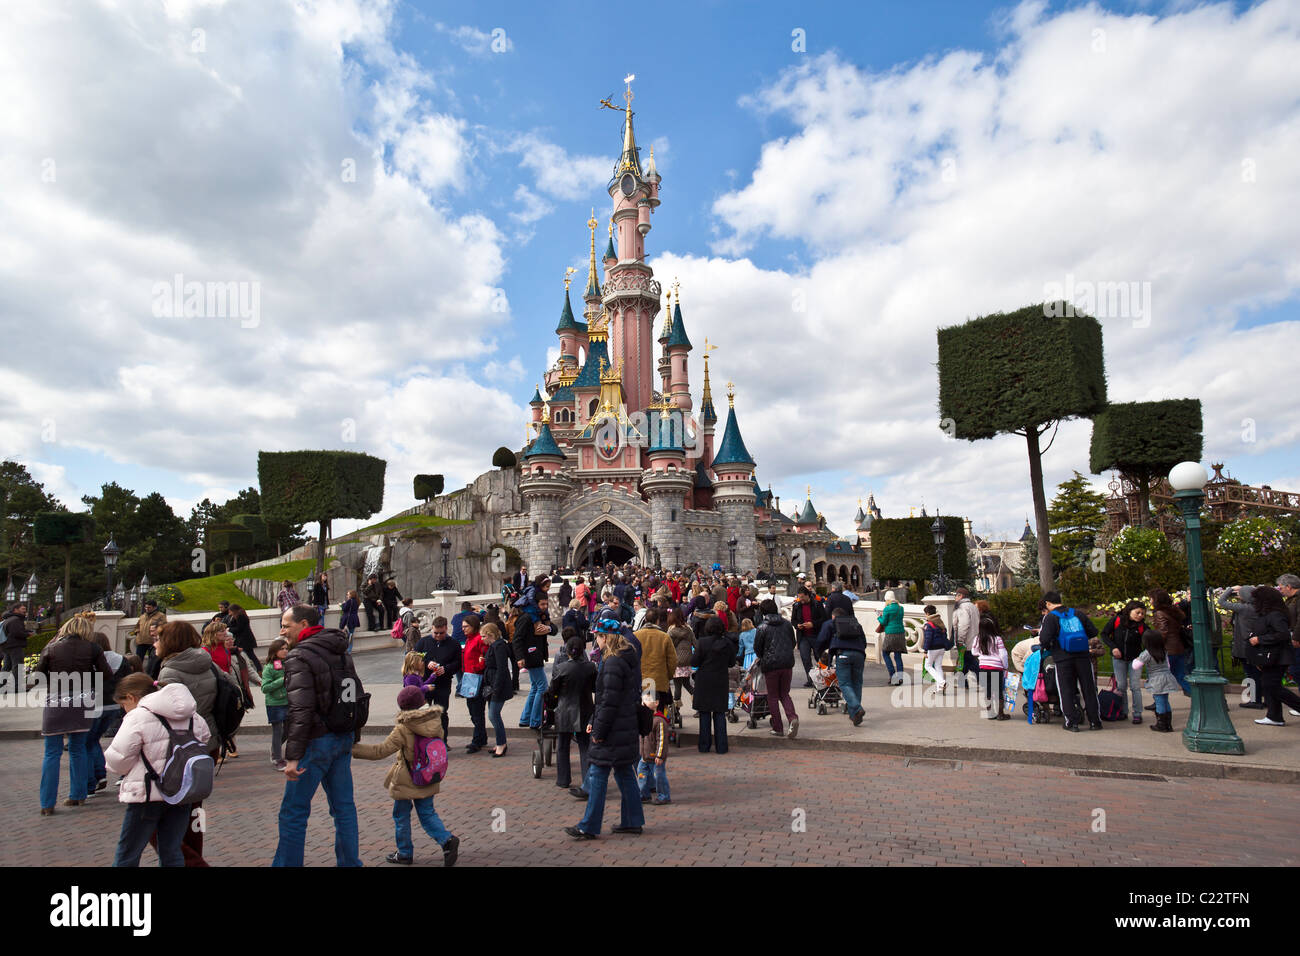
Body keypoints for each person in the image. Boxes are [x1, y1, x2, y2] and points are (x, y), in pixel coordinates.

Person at [272, 604, 362, 868]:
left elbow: (301, 710)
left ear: (302, 624)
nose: (282, 631)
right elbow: (353, 695)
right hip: (341, 736)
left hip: (315, 742)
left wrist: (292, 757)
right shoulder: (341, 650)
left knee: (293, 812)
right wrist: (351, 734)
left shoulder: (299, 656)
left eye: (286, 625)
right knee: (344, 808)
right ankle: (350, 863)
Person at [155, 620, 239, 865]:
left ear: (170, 642)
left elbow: (169, 715)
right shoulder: (208, 662)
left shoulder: (169, 672)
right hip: (209, 743)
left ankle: (192, 862)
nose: (155, 643)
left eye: (159, 638)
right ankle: (194, 854)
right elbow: (230, 687)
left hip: (181, 748)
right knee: (194, 810)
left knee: (157, 817)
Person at [104, 673, 209, 867]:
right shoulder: (191, 715)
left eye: (123, 705)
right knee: (172, 850)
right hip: (181, 791)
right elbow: (204, 738)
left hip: (147, 793)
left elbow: (118, 757)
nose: (124, 710)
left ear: (131, 697)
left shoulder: (138, 716)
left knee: (128, 852)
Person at [352, 686, 459, 866]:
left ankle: (404, 852)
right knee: (427, 813)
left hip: (407, 778)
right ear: (423, 702)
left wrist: (352, 749)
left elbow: (379, 751)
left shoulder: (404, 727)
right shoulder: (435, 720)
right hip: (428, 774)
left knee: (401, 815)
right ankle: (447, 840)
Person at [565, 622, 645, 839]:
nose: (595, 642)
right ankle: (632, 820)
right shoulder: (625, 658)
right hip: (623, 726)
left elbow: (607, 702)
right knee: (624, 773)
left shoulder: (611, 663)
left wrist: (598, 731)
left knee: (598, 774)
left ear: (605, 637)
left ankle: (589, 825)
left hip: (612, 729)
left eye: (597, 637)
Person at [34, 615, 114, 814]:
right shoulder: (93, 648)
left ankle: (47, 803)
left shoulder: (52, 648)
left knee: (51, 752)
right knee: (78, 748)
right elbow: (107, 674)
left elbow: (38, 676)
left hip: (56, 699)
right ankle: (78, 795)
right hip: (83, 699)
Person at [1039, 590, 1102, 731]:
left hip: (1063, 659)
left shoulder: (1051, 618)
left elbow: (1044, 639)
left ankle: (1071, 723)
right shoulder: (1078, 613)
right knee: (1089, 689)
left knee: (1066, 690)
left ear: (1048, 603)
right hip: (1083, 657)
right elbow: (1093, 631)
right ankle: (1095, 721)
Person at [83, 632, 131, 796]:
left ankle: (93, 780)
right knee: (95, 740)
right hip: (114, 704)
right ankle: (102, 775)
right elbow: (128, 681)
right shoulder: (121, 659)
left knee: (87, 743)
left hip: (95, 705)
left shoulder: (90, 659)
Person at [1246, 586, 1300, 726]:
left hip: (1278, 656)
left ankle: (1277, 714)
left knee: (1272, 686)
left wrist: (1259, 639)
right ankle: (1274, 716)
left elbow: (1282, 634)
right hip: (1271, 655)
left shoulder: (1275, 614)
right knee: (1269, 685)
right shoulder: (1269, 614)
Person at [551, 636, 596, 794]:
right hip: (585, 709)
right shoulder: (590, 667)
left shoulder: (561, 668)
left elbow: (553, 690)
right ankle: (587, 780)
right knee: (585, 746)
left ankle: (563, 779)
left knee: (563, 746)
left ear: (568, 651)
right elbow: (595, 688)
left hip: (565, 710)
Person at [816, 604, 868, 726]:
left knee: (845, 684)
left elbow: (821, 641)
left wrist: (819, 655)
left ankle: (856, 707)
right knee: (857, 683)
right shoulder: (856, 623)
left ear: (833, 616)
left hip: (843, 655)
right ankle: (854, 714)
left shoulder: (830, 623)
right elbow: (864, 641)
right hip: (859, 655)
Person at [753, 599, 798, 737]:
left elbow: (757, 648)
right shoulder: (787, 624)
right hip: (787, 662)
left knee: (772, 696)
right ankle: (792, 718)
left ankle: (778, 727)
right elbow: (792, 642)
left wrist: (763, 657)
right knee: (784, 694)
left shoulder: (762, 627)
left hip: (771, 664)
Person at [1099, 601, 1150, 723]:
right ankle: (1122, 711)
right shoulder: (1118, 620)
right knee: (1121, 686)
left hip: (1135, 660)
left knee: (1135, 686)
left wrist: (1142, 657)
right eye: (1137, 612)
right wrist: (1113, 647)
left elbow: (1150, 642)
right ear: (1129, 611)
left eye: (1142, 613)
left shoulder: (1142, 627)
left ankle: (1137, 713)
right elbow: (1104, 634)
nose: (1140, 615)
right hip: (1119, 659)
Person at [691, 616, 734, 753]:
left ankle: (704, 745)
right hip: (720, 680)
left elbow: (694, 662)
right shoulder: (727, 643)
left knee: (704, 713)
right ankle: (722, 746)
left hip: (704, 680)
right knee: (719, 713)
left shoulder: (702, 642)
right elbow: (732, 662)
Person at [414, 616, 462, 736]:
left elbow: (458, 663)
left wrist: (446, 669)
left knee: (442, 712)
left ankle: (442, 739)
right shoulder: (423, 642)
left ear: (446, 629)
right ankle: (424, 738)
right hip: (424, 682)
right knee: (423, 712)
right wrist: (426, 663)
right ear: (431, 629)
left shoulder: (453, 644)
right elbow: (413, 659)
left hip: (443, 683)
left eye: (442, 633)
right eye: (436, 633)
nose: (438, 636)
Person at [513, 593, 553, 731]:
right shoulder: (526, 618)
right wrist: (519, 657)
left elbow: (553, 629)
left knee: (535, 687)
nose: (545, 607)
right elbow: (517, 639)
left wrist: (549, 628)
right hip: (531, 656)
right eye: (542, 604)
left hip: (537, 655)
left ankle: (526, 718)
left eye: (546, 604)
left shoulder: (540, 616)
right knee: (542, 687)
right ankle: (535, 720)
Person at [1132, 629, 1182, 733]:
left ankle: (1161, 725)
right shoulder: (1163, 651)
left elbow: (1135, 666)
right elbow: (1168, 665)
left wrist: (1136, 659)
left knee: (1159, 702)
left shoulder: (1146, 653)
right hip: (1167, 677)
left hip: (1156, 680)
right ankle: (1168, 724)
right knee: (1165, 700)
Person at [480, 622, 513, 757]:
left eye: (483, 636)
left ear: (490, 635)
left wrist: (497, 688)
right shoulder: (496, 646)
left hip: (497, 686)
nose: (482, 639)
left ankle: (501, 743)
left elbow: (502, 669)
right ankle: (500, 742)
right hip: (494, 684)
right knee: (493, 714)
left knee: (493, 715)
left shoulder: (498, 646)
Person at [1149, 589, 1190, 695]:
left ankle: (1160, 702)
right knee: (1180, 674)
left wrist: (1155, 646)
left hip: (1168, 649)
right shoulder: (1172, 611)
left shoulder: (1159, 613)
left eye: (1151, 598)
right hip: (1178, 647)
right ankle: (1196, 695)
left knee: (1160, 676)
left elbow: (1163, 632)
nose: (1150, 601)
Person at [634, 606, 675, 709]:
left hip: (641, 680)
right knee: (660, 710)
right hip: (660, 680)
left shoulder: (636, 636)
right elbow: (672, 660)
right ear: (657, 621)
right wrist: (668, 676)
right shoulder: (665, 637)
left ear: (646, 619)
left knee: (643, 711)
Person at [973, 613, 1010, 719]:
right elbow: (1003, 654)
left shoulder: (977, 639)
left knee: (988, 691)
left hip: (983, 667)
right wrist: (1005, 666)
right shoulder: (997, 639)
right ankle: (1000, 714)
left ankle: (990, 713)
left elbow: (974, 651)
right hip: (996, 668)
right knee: (998, 691)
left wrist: (982, 655)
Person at [636, 692, 671, 805]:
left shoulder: (659, 721)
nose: (644, 702)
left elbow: (662, 740)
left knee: (659, 777)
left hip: (656, 757)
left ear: (656, 703)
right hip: (644, 756)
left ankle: (664, 796)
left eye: (647, 700)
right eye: (643, 700)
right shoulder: (643, 718)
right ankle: (644, 795)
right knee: (641, 775)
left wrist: (660, 755)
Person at [459, 615, 488, 753]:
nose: (463, 629)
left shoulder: (478, 640)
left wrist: (477, 668)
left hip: (476, 678)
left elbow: (484, 658)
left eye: (466, 626)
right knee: (473, 711)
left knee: (476, 711)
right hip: (469, 678)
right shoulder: (469, 639)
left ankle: (477, 740)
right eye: (463, 626)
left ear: (473, 626)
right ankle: (481, 737)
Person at [262, 639, 290, 769]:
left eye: (286, 648)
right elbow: (265, 688)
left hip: (288, 701)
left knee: (288, 729)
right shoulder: (269, 667)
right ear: (275, 651)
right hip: (275, 703)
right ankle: (278, 758)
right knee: (278, 730)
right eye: (282, 649)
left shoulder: (288, 664)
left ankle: (275, 750)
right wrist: (281, 680)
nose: (285, 651)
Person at [790, 588, 825, 687]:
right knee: (805, 658)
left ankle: (822, 678)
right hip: (803, 636)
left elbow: (824, 619)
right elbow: (793, 620)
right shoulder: (796, 606)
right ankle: (811, 679)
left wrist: (813, 624)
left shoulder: (817, 605)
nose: (800, 599)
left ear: (807, 595)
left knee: (819, 657)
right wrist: (797, 625)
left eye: (802, 597)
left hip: (816, 635)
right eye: (799, 597)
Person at [952, 587, 981, 688]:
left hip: (966, 641)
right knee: (966, 662)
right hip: (974, 639)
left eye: (956, 595)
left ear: (960, 596)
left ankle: (980, 681)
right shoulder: (973, 606)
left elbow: (963, 625)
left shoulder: (962, 608)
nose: (955, 598)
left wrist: (960, 640)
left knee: (969, 662)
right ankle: (963, 682)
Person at [877, 591, 907, 686]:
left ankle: (893, 676)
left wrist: (879, 617)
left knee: (885, 653)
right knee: (898, 656)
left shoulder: (887, 609)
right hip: (900, 633)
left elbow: (884, 622)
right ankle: (900, 677)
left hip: (890, 634)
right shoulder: (900, 608)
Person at [921, 605, 950, 691]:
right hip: (941, 648)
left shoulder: (929, 624)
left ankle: (942, 682)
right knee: (938, 666)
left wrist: (925, 650)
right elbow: (945, 634)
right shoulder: (940, 622)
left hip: (933, 649)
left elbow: (928, 639)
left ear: (927, 613)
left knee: (928, 666)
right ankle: (940, 688)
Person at [226, 604, 260, 670]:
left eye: (230, 611)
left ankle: (258, 669)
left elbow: (239, 628)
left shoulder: (240, 616)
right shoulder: (238, 616)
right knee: (250, 655)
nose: (229, 613)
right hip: (244, 639)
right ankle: (257, 669)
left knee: (251, 656)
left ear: (234, 610)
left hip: (245, 640)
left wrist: (229, 629)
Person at [2, 602, 29, 682]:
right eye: (22, 609)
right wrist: (27, 634)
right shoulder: (15, 619)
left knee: (7, 667)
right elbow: (16, 633)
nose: (25, 610)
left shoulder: (8, 619)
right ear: (16, 610)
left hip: (7, 646)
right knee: (17, 666)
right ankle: (17, 687)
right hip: (15, 646)